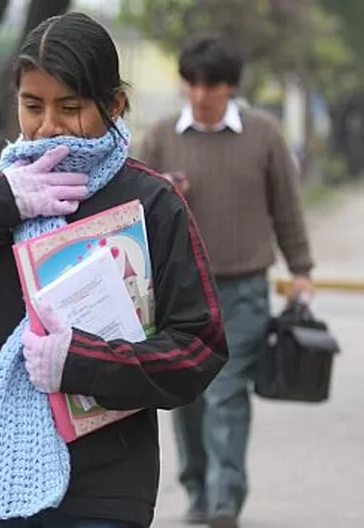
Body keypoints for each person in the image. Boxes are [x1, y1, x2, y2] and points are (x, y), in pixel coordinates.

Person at [0, 12, 229, 528]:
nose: (48, 125)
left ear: (113, 104)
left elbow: (198, 347)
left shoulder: (151, 203)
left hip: (101, 497)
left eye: (71, 107)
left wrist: (84, 363)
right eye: (32, 105)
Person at [138, 35, 315, 528]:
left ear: (230, 87)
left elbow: (287, 209)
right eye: (190, 83)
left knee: (227, 391)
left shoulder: (264, 136)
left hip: (243, 290)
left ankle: (224, 499)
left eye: (210, 85)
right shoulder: (158, 139)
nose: (199, 94)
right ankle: (197, 486)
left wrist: (301, 272)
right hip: (179, 292)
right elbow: (131, 212)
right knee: (187, 396)